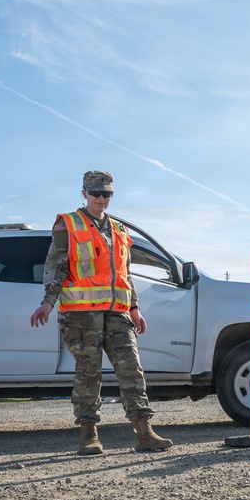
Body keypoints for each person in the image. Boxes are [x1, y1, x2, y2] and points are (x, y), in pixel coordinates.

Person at [30, 170, 173, 455]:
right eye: (95, 192)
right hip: (81, 314)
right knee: (88, 373)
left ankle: (144, 433)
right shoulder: (68, 224)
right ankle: (88, 436)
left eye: (106, 193)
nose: (101, 198)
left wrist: (134, 307)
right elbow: (57, 264)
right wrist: (48, 301)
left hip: (118, 312)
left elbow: (123, 272)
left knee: (131, 369)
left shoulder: (119, 229)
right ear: (84, 193)